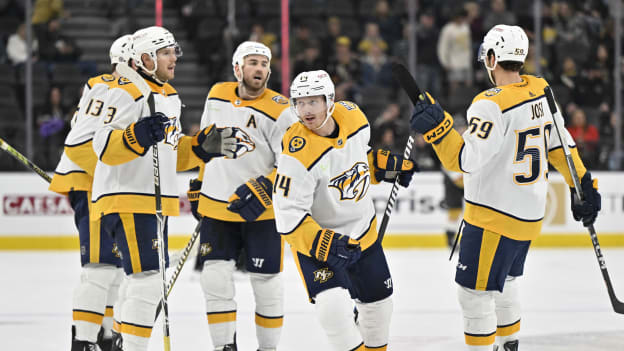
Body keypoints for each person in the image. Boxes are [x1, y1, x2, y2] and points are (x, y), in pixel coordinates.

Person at [408, 25, 601, 351]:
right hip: (528, 216)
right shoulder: (541, 89)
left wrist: (439, 129)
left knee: (474, 293)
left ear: (493, 57)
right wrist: (582, 184)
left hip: (492, 219)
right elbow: (561, 146)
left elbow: (463, 160)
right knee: (507, 281)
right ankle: (509, 343)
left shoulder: (489, 103)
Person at [91, 26, 240, 351]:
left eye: (175, 51)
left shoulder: (168, 96)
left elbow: (169, 153)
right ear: (145, 58)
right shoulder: (123, 89)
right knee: (147, 283)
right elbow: (103, 145)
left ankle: (120, 341)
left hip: (154, 201)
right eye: (166, 52)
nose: (174, 57)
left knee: (143, 282)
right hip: (128, 197)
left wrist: (200, 147)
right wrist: (138, 135)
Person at [273, 70, 417, 351]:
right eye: (299, 103)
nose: (305, 110)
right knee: (334, 312)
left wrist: (381, 168)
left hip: (363, 232)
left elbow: (355, 164)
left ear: (330, 101)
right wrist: (324, 243)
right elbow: (287, 215)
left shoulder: (355, 119)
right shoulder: (295, 152)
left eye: (312, 102)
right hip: (320, 246)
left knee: (379, 310)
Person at [190, 41, 296, 351]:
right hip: (218, 206)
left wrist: (266, 187)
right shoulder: (217, 93)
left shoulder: (281, 109)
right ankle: (224, 346)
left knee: (267, 283)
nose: (260, 68)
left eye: (264, 64)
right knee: (214, 278)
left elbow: (291, 164)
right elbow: (205, 143)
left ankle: (268, 349)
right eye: (253, 62)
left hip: (261, 210)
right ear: (238, 68)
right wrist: (199, 183)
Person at [48, 34, 132, 351]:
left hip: (109, 189)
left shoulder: (106, 89)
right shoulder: (107, 87)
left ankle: (106, 336)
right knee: (99, 269)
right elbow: (86, 142)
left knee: (115, 270)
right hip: (94, 188)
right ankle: (84, 341)